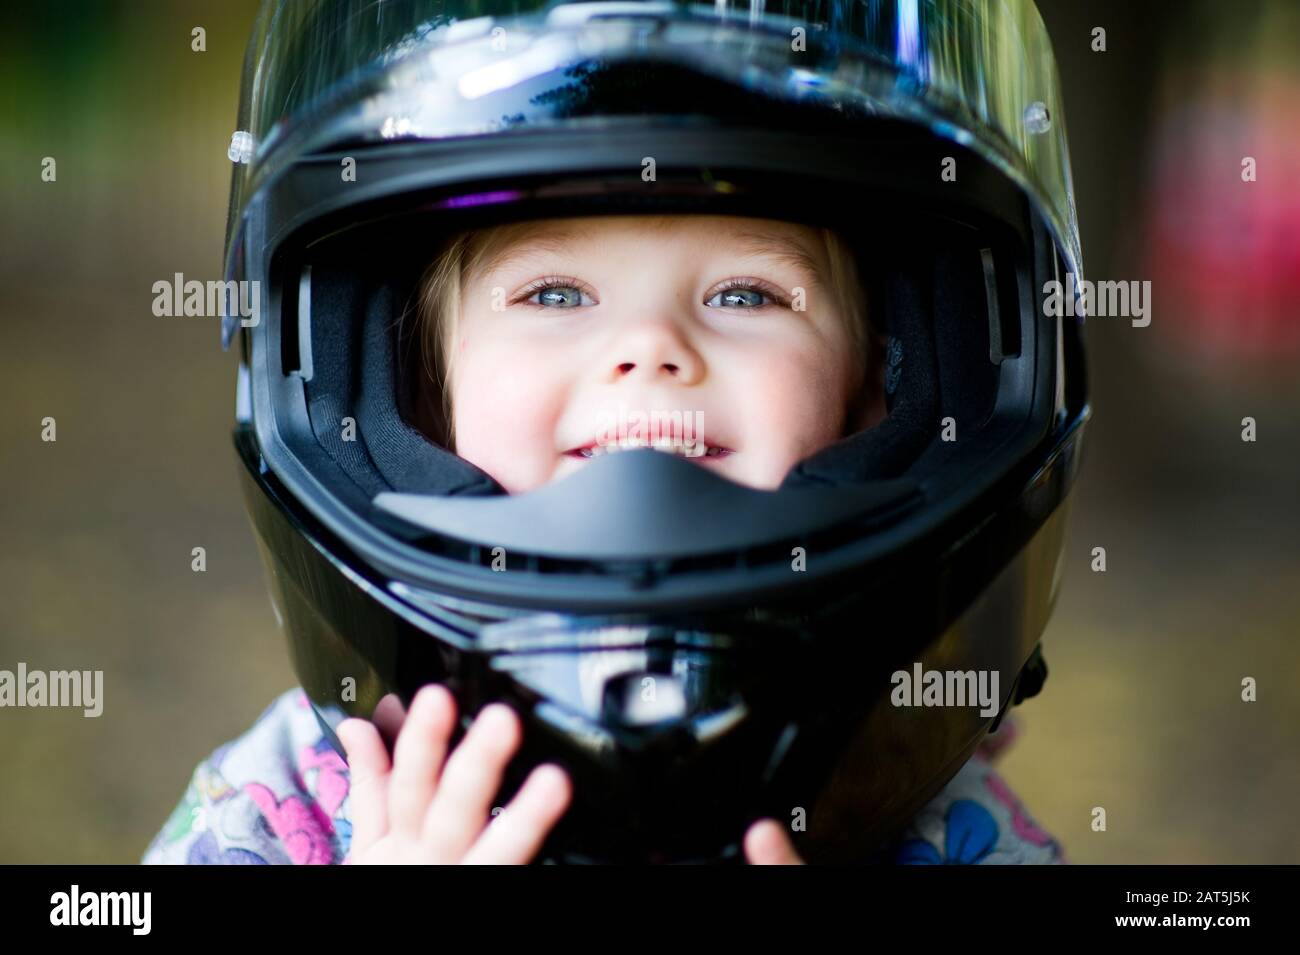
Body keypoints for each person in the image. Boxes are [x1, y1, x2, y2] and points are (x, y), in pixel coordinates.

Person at [145, 0, 1088, 865]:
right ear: (421, 395)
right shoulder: (282, 811)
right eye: (555, 293)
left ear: (875, 395)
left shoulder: (956, 828)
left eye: (745, 293)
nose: (649, 346)